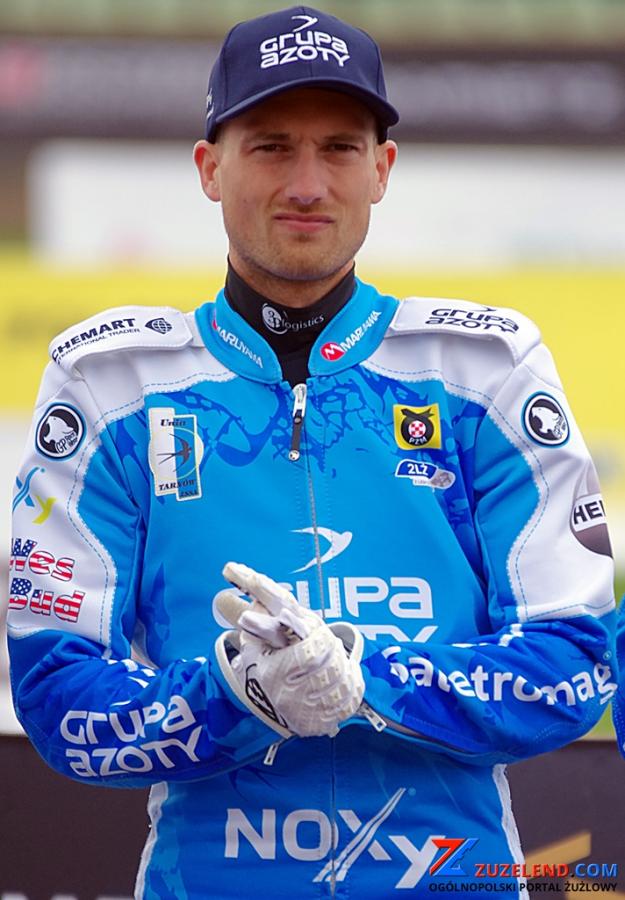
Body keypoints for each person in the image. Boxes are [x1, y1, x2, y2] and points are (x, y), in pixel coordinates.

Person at [8, 6, 616, 899]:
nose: (306, 183)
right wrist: (239, 695)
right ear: (209, 167)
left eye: (338, 148)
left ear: (381, 169)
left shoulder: (485, 370)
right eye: (270, 147)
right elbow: (57, 691)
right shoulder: (110, 385)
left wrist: (363, 679)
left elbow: (576, 659)